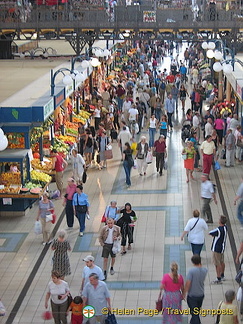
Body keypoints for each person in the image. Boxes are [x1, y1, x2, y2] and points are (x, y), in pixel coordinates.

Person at [184, 255, 208, 324]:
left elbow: (188, 283)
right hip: (201, 294)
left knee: (195, 314)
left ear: (193, 262)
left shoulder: (191, 271)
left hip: (192, 295)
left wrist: (184, 292)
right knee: (196, 312)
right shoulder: (205, 270)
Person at [209, 215, 228, 284]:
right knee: (222, 262)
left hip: (216, 248)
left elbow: (210, 232)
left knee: (217, 263)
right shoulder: (226, 227)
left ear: (220, 221)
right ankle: (222, 275)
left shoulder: (218, 229)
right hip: (222, 247)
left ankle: (218, 278)